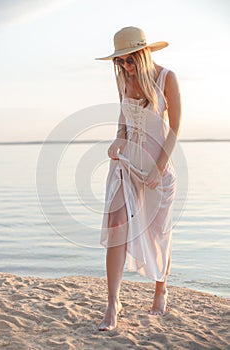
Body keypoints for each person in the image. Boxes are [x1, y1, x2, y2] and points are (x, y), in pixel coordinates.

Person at [95, 26, 182, 331]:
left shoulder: (166, 77)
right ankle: (112, 303)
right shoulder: (124, 81)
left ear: (143, 54)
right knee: (116, 224)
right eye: (120, 62)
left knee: (159, 233)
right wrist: (118, 141)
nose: (126, 67)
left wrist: (159, 167)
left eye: (130, 60)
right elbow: (122, 126)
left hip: (157, 171)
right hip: (126, 165)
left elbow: (174, 128)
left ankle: (161, 288)